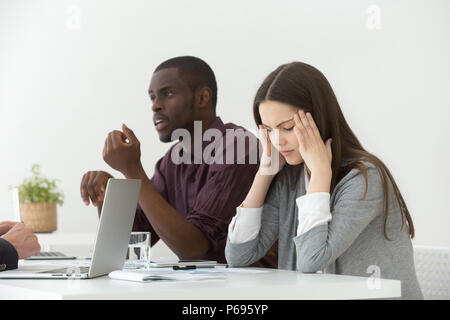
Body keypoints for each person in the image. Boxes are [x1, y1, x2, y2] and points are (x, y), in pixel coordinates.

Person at [225, 61, 423, 299]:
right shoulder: (289, 178)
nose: (277, 141)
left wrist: (320, 173)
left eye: (287, 127)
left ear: (317, 120)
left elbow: (311, 259)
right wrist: (264, 174)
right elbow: (238, 256)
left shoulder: (364, 178)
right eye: (268, 129)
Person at [80, 56, 276, 267]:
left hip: (250, 291)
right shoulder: (171, 162)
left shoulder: (238, 146)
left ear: (202, 98)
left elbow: (196, 250)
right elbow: (127, 245)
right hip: (197, 289)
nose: (155, 106)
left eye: (167, 93)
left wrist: (133, 171)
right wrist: (107, 195)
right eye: (152, 97)